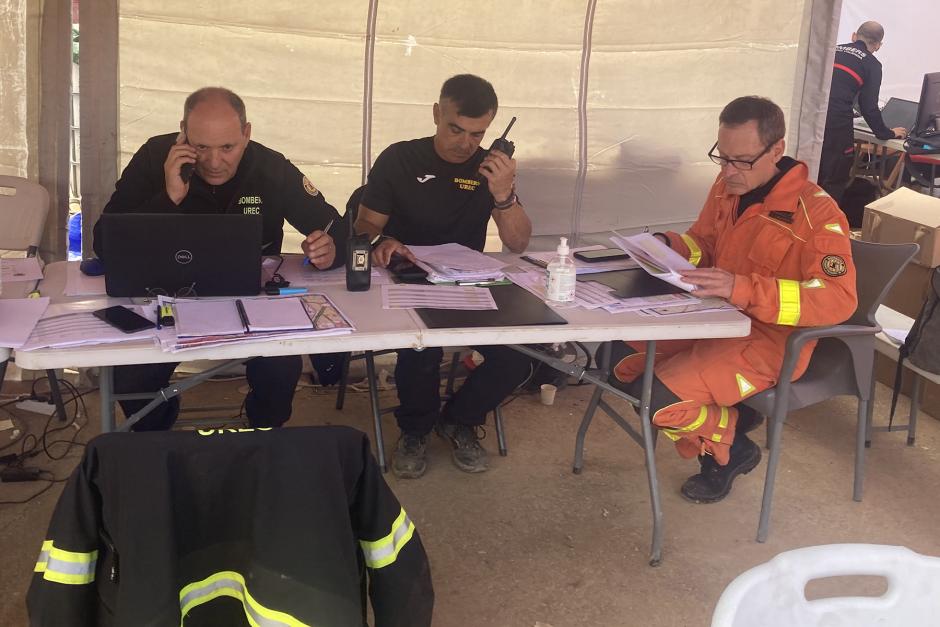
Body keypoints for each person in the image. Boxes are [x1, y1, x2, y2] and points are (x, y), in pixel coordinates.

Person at [610, 96, 858, 503]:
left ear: (776, 150)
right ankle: (736, 421)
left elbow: (838, 299)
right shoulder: (728, 186)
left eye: (740, 160)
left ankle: (730, 447)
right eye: (721, 158)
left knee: (654, 402)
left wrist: (740, 288)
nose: (727, 171)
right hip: (712, 315)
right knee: (613, 358)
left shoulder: (818, 216)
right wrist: (665, 246)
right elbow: (703, 244)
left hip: (769, 341)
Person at [92, 86, 345, 431]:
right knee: (131, 373)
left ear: (247, 133)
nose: (214, 162)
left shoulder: (270, 167)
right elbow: (104, 244)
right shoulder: (155, 157)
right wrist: (168, 196)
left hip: (251, 296)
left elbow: (339, 230)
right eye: (200, 147)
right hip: (163, 296)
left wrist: (330, 251)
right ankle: (157, 432)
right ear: (183, 132)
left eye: (228, 147)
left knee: (282, 366)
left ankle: (260, 431)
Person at [354, 74, 533, 478]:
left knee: (520, 354)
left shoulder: (491, 169)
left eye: (477, 133)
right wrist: (384, 240)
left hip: (467, 281)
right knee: (421, 351)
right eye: (455, 129)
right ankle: (415, 430)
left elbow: (518, 242)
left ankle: (458, 419)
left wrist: (504, 194)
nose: (465, 143)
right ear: (437, 114)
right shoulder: (400, 158)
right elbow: (363, 223)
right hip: (406, 276)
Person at [819, 21, 906, 205]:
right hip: (836, 124)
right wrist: (887, 133)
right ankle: (827, 226)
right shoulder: (872, 64)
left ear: (853, 36)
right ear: (878, 45)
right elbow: (868, 107)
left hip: (811, 118)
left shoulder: (831, 50)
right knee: (834, 178)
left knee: (812, 174)